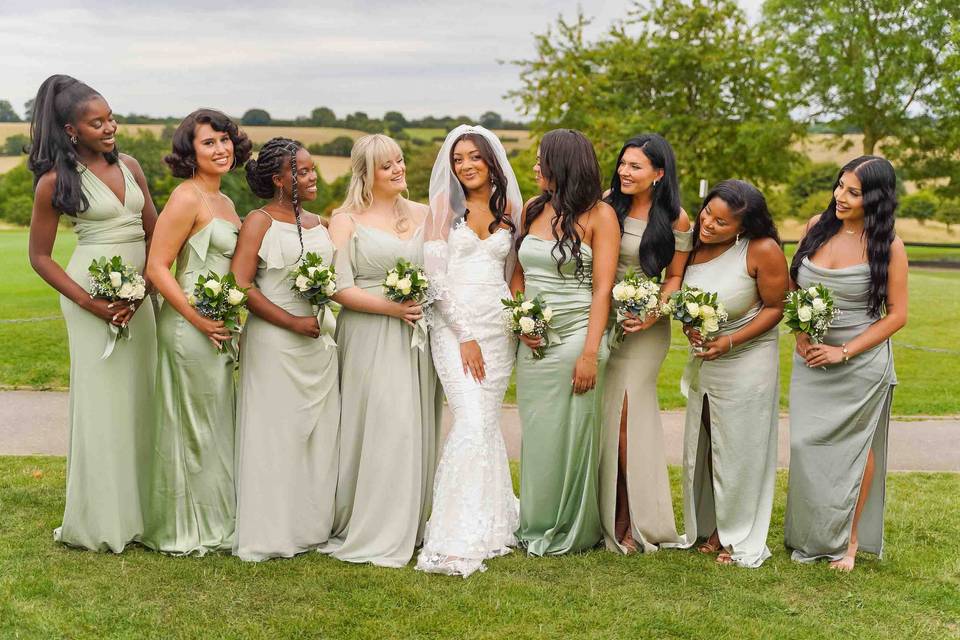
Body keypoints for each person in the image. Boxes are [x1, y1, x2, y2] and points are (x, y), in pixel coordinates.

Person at [27, 74, 158, 552]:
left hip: (140, 298)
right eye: (97, 122)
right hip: (89, 299)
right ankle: (102, 518)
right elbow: (40, 256)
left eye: (111, 118)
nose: (110, 127)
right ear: (70, 130)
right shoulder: (54, 183)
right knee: (103, 405)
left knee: (143, 397)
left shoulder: (131, 166)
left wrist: (145, 290)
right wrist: (91, 303)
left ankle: (145, 512)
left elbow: (155, 234)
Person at [321, 134, 443, 568]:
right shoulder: (345, 220)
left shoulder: (427, 214)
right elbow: (338, 287)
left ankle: (411, 521)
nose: (398, 169)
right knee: (383, 425)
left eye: (400, 160)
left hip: (416, 333)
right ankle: (374, 523)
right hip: (370, 332)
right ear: (366, 173)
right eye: (387, 165)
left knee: (413, 422)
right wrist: (391, 308)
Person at [784, 156, 907, 572]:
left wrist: (844, 350)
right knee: (804, 446)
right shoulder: (816, 227)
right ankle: (810, 533)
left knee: (855, 451)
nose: (841, 196)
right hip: (811, 359)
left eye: (853, 192)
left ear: (875, 198)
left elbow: (897, 315)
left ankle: (849, 539)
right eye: (840, 186)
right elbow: (794, 283)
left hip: (860, 363)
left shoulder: (888, 245)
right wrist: (802, 333)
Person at [141, 109, 251, 555]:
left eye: (225, 140)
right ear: (191, 151)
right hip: (190, 327)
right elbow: (156, 267)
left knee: (216, 422)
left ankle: (220, 514)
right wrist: (197, 317)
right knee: (194, 427)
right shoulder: (187, 197)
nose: (221, 149)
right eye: (209, 143)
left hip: (218, 324)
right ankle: (190, 525)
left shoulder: (224, 201)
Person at [416, 125, 522, 577]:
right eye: (458, 158)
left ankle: (494, 523)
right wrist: (465, 334)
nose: (466, 165)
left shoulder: (512, 209)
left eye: (474, 156)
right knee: (472, 420)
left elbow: (514, 275)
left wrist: (522, 317)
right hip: (454, 328)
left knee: (486, 425)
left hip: (499, 332)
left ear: (491, 160)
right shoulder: (442, 208)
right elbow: (435, 280)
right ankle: (455, 534)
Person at [230, 138, 341, 561]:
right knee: (275, 435)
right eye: (303, 171)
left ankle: (310, 527)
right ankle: (270, 531)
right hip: (276, 340)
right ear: (279, 179)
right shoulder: (258, 222)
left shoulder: (318, 222)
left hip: (318, 340)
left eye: (313, 170)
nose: (312, 177)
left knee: (316, 434)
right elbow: (239, 285)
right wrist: (291, 321)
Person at [511, 129, 620, 556]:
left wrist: (590, 353)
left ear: (565, 165)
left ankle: (570, 526)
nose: (536, 167)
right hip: (534, 339)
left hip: (578, 334)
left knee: (572, 432)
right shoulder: (533, 209)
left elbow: (602, 289)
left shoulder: (600, 216)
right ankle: (535, 520)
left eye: (543, 160)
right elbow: (519, 275)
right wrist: (521, 319)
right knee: (538, 430)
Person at [673, 180, 787, 568]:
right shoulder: (694, 245)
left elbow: (775, 309)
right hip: (708, 357)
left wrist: (731, 341)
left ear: (743, 226)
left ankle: (734, 534)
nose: (708, 224)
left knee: (740, 448)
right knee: (708, 441)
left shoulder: (761, 250)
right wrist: (689, 324)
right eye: (708, 212)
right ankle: (709, 524)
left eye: (721, 222)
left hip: (748, 357)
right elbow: (681, 292)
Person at [600, 134, 692, 553]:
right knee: (602, 416)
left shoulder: (676, 219)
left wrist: (653, 311)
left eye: (635, 166)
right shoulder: (606, 203)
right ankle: (599, 510)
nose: (624, 171)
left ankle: (629, 518)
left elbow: (674, 278)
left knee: (626, 417)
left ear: (658, 173)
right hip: (602, 319)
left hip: (646, 328)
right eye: (623, 163)